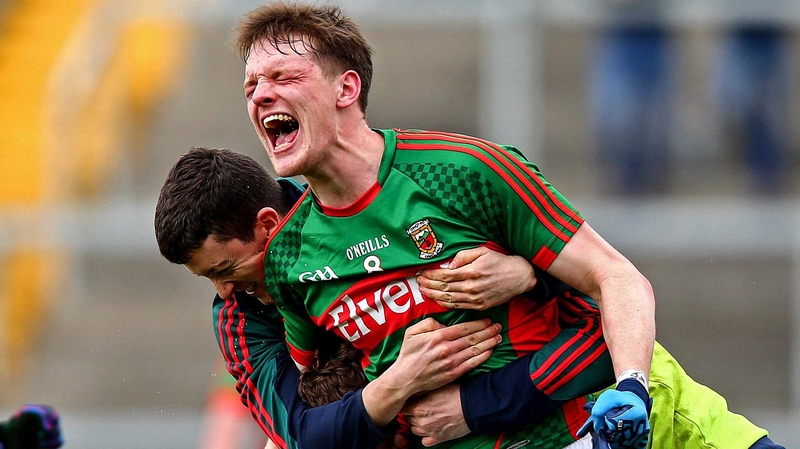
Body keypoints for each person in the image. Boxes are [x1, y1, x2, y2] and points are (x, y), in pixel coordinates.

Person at [155, 148, 782, 449]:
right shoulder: (245, 319)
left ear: (267, 225)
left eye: (227, 269)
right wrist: (398, 387)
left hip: (653, 405)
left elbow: (605, 301)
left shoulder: (407, 191)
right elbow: (304, 438)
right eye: (207, 280)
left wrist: (530, 273)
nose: (224, 294)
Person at [232, 3, 652, 447]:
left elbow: (617, 277)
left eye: (283, 77)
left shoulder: (465, 172)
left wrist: (631, 385)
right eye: (251, 86)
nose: (260, 95)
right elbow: (299, 412)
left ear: (346, 89)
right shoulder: (287, 255)